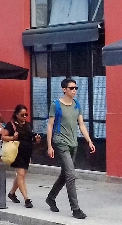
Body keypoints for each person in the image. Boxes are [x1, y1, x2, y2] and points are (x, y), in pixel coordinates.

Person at [45, 78, 95, 220]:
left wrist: (89, 141)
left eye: (75, 88)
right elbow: (50, 125)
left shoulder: (77, 104)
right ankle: (75, 209)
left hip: (73, 143)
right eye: (71, 88)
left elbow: (81, 125)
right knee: (71, 175)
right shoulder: (56, 105)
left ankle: (50, 198)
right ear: (64, 89)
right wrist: (49, 146)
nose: (74, 90)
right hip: (61, 142)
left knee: (65, 174)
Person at [3, 105, 41, 208]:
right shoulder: (11, 125)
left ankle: (12, 193)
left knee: (21, 175)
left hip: (27, 153)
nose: (24, 117)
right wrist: (13, 137)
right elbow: (3, 137)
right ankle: (26, 199)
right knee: (21, 175)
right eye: (22, 115)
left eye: (26, 114)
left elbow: (30, 138)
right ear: (16, 114)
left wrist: (36, 139)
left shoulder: (28, 125)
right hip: (17, 153)